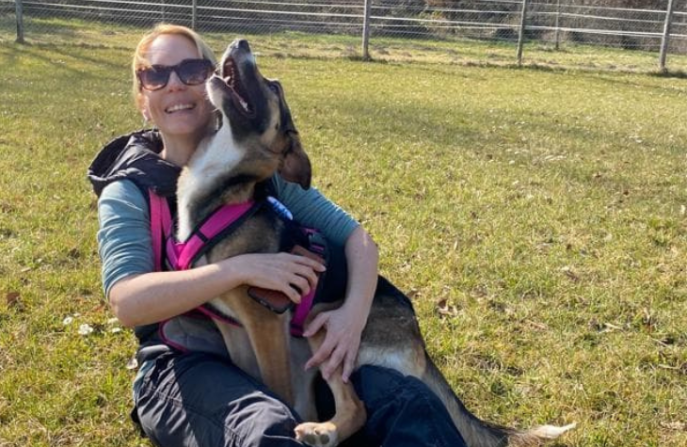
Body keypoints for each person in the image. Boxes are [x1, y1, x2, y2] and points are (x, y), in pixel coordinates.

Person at [88, 23, 467, 447]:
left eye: (191, 70)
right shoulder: (129, 188)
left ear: (214, 83)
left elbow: (358, 240)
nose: (174, 84)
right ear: (143, 99)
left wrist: (351, 316)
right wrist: (238, 269)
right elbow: (127, 303)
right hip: (184, 364)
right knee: (269, 431)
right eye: (156, 75)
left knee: (409, 405)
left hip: (295, 344)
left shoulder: (259, 167)